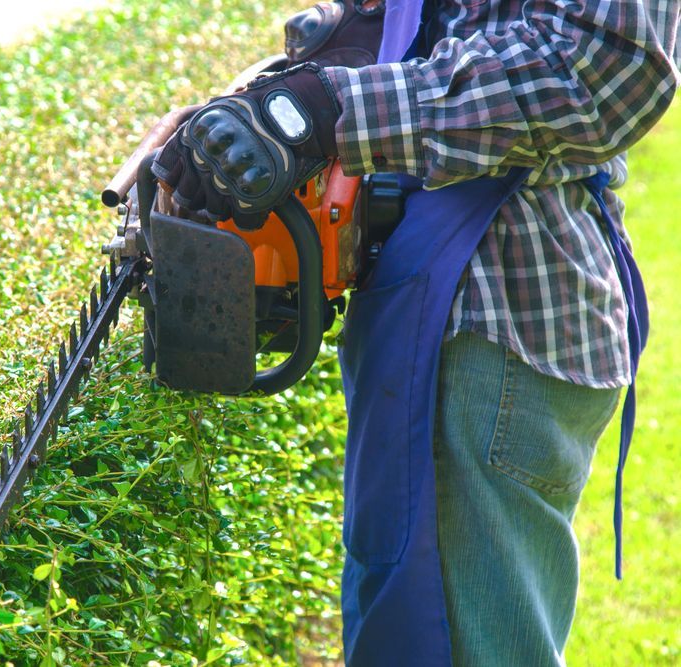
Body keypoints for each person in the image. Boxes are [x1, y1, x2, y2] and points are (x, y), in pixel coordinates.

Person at [152, 1, 680, 665]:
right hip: (421, 296)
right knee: (397, 629)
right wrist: (330, 48)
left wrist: (324, 109)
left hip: (496, 311)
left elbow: (604, 67)